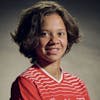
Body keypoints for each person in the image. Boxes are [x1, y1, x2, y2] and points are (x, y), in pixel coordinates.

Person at [10, 0, 90, 100]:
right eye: (44, 34)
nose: (54, 41)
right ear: (30, 38)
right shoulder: (27, 82)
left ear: (68, 36)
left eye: (60, 33)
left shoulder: (78, 84)